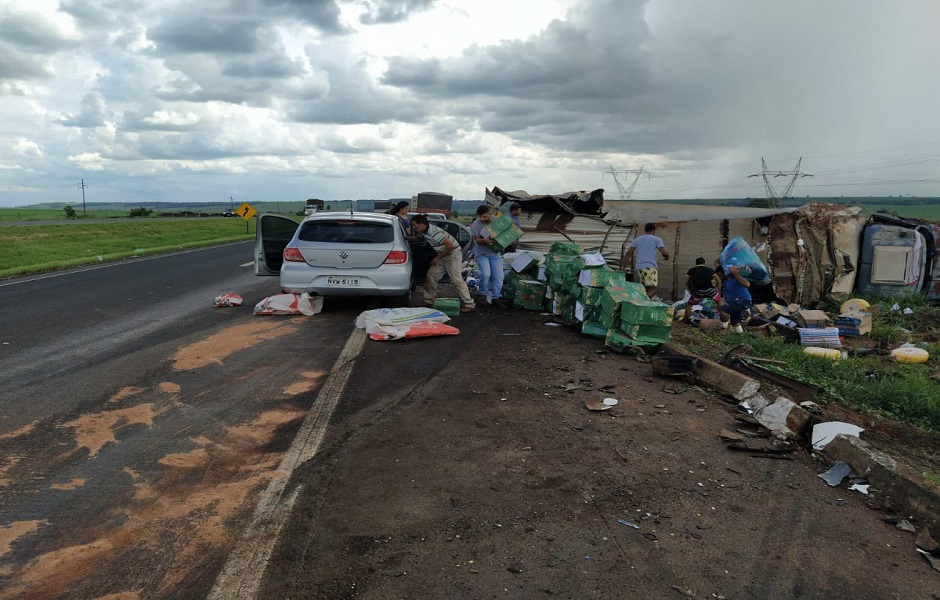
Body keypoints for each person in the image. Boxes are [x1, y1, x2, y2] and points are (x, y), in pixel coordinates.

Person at [412, 214, 475, 313]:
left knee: (457, 280)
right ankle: (428, 300)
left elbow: (450, 246)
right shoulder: (424, 231)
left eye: (415, 225)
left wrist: (437, 258)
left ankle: (469, 304)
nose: (414, 228)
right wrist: (407, 238)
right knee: (431, 276)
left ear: (422, 224)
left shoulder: (434, 232)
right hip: (444, 255)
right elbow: (420, 239)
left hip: (453, 255)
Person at [470, 205, 506, 307]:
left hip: (495, 253)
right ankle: (482, 294)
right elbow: (477, 240)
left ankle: (496, 297)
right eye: (481, 217)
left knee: (499, 276)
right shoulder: (475, 225)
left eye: (485, 217)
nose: (483, 219)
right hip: (481, 253)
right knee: (486, 274)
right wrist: (484, 240)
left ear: (490, 213)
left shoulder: (498, 221)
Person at [621, 223, 669, 299]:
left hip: (640, 268)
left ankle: (642, 303)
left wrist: (623, 265)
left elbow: (629, 253)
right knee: (653, 289)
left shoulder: (637, 240)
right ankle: (641, 303)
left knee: (645, 288)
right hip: (650, 267)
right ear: (654, 231)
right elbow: (664, 252)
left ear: (645, 230)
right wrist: (667, 256)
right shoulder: (657, 240)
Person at [719, 265, 752, 334]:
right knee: (735, 322)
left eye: (720, 275)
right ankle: (740, 336)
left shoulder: (737, 278)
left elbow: (747, 284)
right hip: (734, 302)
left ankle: (722, 329)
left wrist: (736, 274)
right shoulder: (726, 281)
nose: (720, 277)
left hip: (742, 300)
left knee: (723, 310)